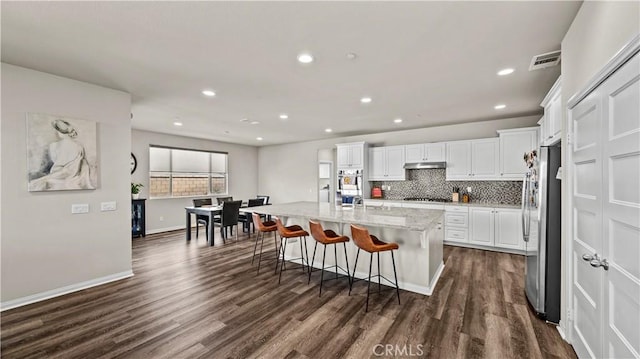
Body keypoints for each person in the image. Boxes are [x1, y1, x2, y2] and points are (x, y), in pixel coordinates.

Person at [28, 119, 94, 191]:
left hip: (55, 179)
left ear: (58, 132)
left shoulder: (52, 146)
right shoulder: (79, 147)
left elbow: (45, 168)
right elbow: (84, 167)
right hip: (73, 180)